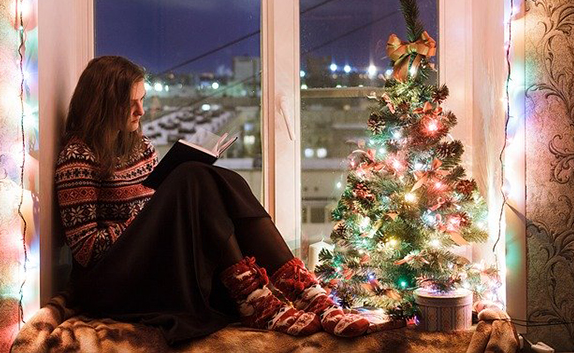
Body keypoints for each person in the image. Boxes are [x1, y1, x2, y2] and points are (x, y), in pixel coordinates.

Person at [55, 56, 370, 345]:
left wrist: (157, 214)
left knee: (203, 177)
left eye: (142, 101)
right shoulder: (77, 157)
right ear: (105, 106)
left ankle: (304, 294)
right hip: (107, 282)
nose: (141, 112)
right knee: (191, 176)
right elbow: (86, 252)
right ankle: (257, 299)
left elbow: (152, 211)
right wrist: (149, 217)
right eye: (130, 104)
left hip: (144, 260)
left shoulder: (141, 147)